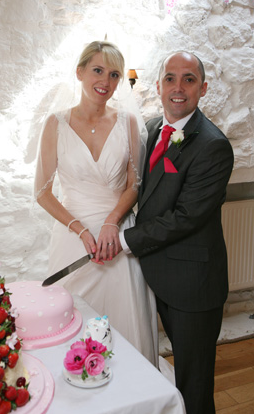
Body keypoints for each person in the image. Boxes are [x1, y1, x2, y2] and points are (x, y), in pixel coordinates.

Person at [119, 51, 234, 414]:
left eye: (188, 79)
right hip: (158, 276)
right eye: (170, 78)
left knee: (194, 385)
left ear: (203, 88)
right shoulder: (152, 129)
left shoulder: (213, 145)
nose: (178, 87)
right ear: (158, 85)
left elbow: (186, 217)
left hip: (194, 286)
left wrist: (125, 240)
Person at [34, 41, 158, 366]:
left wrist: (111, 223)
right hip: (73, 236)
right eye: (98, 70)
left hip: (117, 236)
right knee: (74, 324)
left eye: (114, 74)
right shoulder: (55, 124)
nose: (105, 80)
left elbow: (134, 184)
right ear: (80, 72)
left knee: (125, 323)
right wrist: (80, 231)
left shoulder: (128, 123)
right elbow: (43, 192)